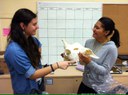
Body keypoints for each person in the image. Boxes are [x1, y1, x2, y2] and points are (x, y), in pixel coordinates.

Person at [4, 8, 76, 94]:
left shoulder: (34, 41)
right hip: (26, 91)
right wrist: (56, 65)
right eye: (34, 24)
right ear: (23, 26)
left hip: (38, 86)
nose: (37, 27)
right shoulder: (14, 50)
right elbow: (32, 75)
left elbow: (37, 64)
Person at [77, 17, 120, 94]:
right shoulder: (89, 42)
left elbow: (104, 71)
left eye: (97, 28)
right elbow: (83, 63)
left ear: (106, 32)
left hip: (99, 88)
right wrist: (75, 57)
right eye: (94, 26)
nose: (94, 29)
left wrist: (89, 62)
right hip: (85, 83)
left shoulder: (111, 48)